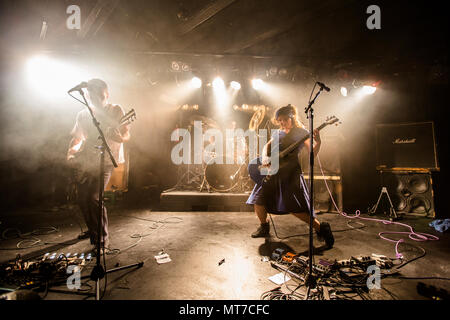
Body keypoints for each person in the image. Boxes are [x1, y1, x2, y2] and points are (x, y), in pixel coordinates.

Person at [246, 104, 334, 248]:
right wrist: (265, 159)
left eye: (284, 119)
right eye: (279, 120)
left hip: (290, 174)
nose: (282, 122)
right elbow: (266, 147)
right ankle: (264, 226)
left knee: (295, 208)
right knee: (258, 200)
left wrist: (319, 142)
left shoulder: (301, 133)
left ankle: (321, 229)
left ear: (292, 117)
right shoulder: (278, 133)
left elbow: (312, 153)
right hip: (273, 172)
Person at [66, 79, 130, 252]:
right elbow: (78, 137)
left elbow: (126, 134)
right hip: (87, 161)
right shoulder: (83, 114)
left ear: (107, 94)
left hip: (106, 161)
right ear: (87, 95)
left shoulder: (116, 110)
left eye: (101, 96)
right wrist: (71, 152)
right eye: (93, 96)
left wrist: (119, 137)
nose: (97, 100)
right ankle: (92, 230)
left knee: (94, 197)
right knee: (82, 199)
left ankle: (102, 240)